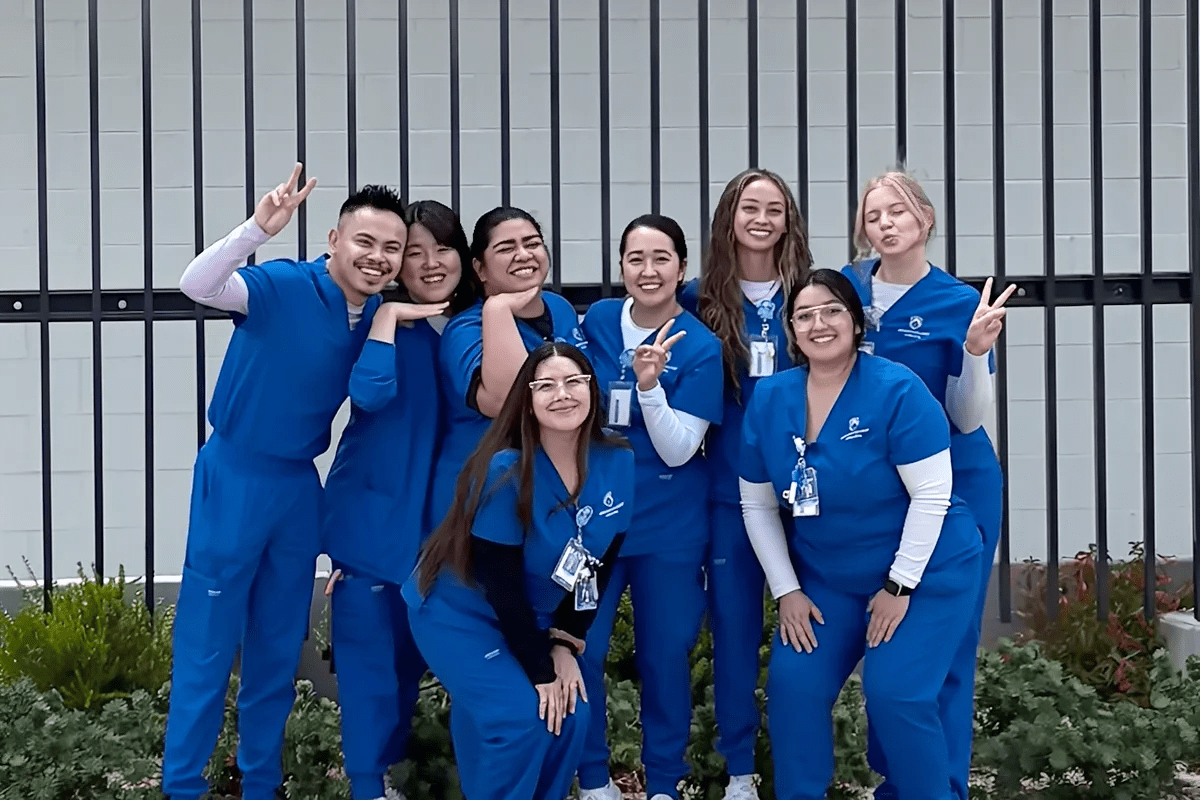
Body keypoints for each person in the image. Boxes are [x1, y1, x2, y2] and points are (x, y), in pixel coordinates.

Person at [165, 164, 407, 800]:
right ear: (334, 239)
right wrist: (256, 229)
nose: (377, 258)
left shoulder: (382, 315)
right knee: (208, 645)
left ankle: (261, 784)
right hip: (236, 473)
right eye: (365, 242)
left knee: (277, 645)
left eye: (392, 248)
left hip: (301, 488)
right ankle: (183, 785)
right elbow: (196, 285)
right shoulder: (280, 285)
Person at [739, 269, 983, 800]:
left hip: (926, 571)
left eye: (831, 310)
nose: (818, 323)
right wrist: (787, 590)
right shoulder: (771, 397)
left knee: (897, 695)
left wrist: (899, 587)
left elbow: (932, 495)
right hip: (829, 578)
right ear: (791, 329)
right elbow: (756, 504)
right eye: (804, 315)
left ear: (856, 320)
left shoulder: (896, 388)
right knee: (793, 687)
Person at [840, 170, 1013, 800]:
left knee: (947, 645)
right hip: (876, 491)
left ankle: (939, 787)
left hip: (957, 483)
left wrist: (971, 351)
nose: (884, 223)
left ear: (926, 219)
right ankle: (899, 777)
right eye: (873, 214)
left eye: (897, 211)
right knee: (888, 644)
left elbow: (966, 417)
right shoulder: (846, 287)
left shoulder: (959, 301)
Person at [402, 343, 636, 800]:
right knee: (521, 718)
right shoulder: (507, 470)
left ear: (592, 388)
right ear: (527, 400)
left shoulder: (618, 459)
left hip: (535, 617)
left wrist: (566, 643)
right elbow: (502, 587)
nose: (562, 394)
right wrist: (542, 667)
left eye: (573, 381)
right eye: (545, 385)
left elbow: (600, 563)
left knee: (572, 717)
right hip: (460, 615)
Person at [321, 200, 483, 800]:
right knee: (372, 676)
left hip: (453, 535)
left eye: (442, 249)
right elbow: (367, 392)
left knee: (425, 671)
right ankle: (370, 784)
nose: (430, 262)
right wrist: (389, 318)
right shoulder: (381, 322)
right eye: (413, 252)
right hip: (376, 534)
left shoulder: (475, 324)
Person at [576, 215, 724, 800]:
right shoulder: (597, 325)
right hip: (597, 524)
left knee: (663, 657)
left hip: (671, 527)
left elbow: (681, 448)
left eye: (661, 258)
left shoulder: (702, 345)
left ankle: (663, 783)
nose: (648, 270)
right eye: (636, 258)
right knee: (579, 648)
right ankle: (592, 780)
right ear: (620, 269)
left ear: (681, 269)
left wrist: (649, 387)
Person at [680, 168, 812, 800]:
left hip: (808, 493)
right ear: (728, 217)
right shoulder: (695, 300)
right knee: (733, 630)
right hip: (730, 491)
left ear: (789, 220)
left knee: (813, 627)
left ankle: (806, 763)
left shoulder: (812, 296)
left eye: (775, 208)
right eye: (749, 207)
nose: (762, 219)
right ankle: (738, 769)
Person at [431, 207, 588, 528]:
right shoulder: (465, 330)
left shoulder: (559, 307)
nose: (523, 254)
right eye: (506, 248)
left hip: (550, 488)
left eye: (532, 243)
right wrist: (499, 309)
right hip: (483, 496)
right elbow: (507, 403)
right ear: (480, 268)